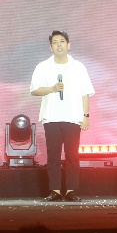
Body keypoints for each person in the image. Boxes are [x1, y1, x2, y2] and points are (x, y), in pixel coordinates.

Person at [29, 30, 95, 202]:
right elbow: (34, 90)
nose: (59, 45)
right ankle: (55, 191)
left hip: (73, 117)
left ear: (68, 45)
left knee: (72, 155)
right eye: (55, 42)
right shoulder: (43, 67)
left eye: (62, 41)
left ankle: (71, 190)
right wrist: (51, 88)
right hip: (51, 117)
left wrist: (86, 115)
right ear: (51, 47)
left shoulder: (78, 67)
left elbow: (85, 93)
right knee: (53, 156)